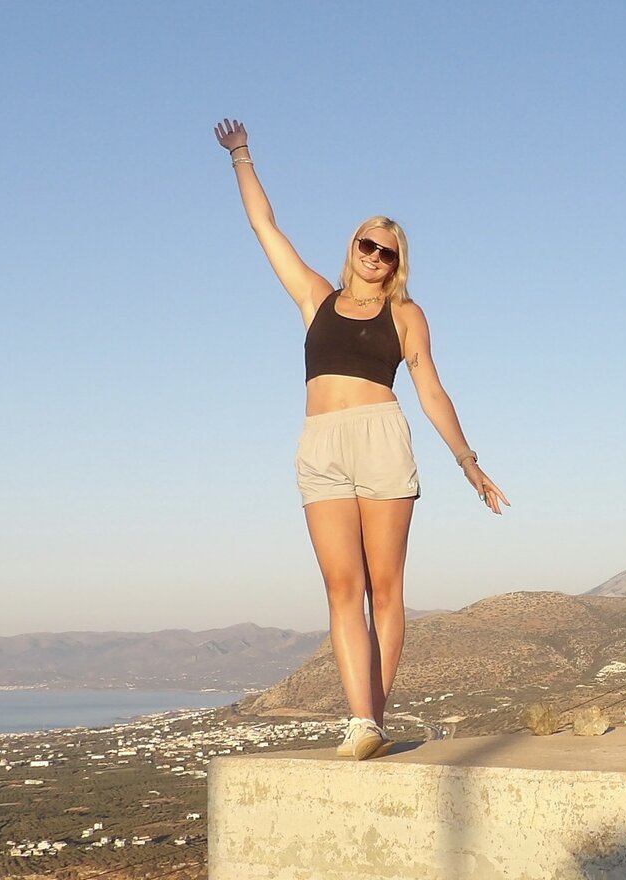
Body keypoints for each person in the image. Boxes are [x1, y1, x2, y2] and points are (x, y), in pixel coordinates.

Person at [212, 118, 508, 760]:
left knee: (385, 589)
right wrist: (242, 158)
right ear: (352, 247)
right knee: (341, 589)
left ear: (398, 264)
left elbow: (431, 389)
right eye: (367, 246)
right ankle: (363, 721)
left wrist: (468, 462)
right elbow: (266, 228)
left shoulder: (405, 315)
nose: (375, 257)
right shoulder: (314, 296)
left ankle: (371, 714)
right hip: (320, 442)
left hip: (380, 437)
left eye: (387, 253)